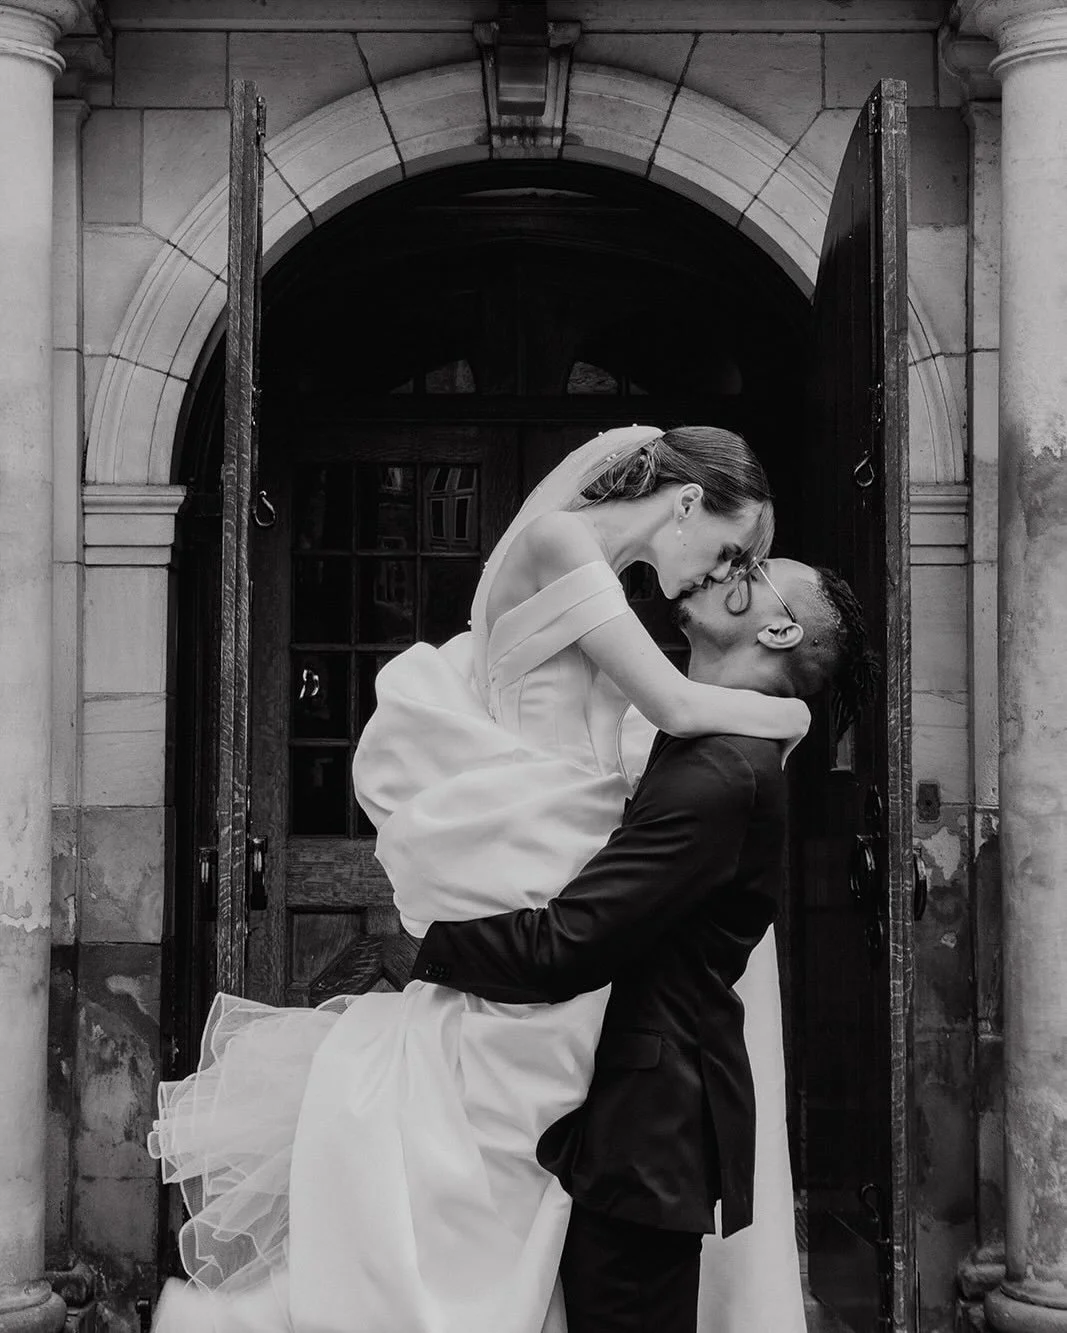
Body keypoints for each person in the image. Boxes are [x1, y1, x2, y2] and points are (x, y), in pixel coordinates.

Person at [149, 425, 808, 1333]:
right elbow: (674, 705)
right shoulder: (560, 542)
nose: (713, 576)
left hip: (565, 833)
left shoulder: (596, 573)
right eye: (732, 550)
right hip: (542, 848)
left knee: (536, 1123)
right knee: (517, 1106)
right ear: (689, 501)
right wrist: (794, 707)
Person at [409, 559, 877, 1333]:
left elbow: (569, 944)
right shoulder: (709, 740)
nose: (725, 565)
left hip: (646, 1131)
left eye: (753, 568)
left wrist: (425, 943)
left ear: (779, 627)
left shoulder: (723, 771)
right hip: (633, 1115)